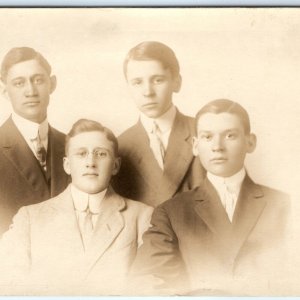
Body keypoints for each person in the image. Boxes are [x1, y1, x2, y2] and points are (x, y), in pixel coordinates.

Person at [130, 99, 291, 295]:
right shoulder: (171, 212)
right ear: (195, 145)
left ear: (250, 142)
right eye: (207, 137)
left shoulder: (286, 206)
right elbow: (149, 282)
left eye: (230, 135)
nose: (217, 146)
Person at [0, 119, 153, 295]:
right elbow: (8, 286)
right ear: (67, 165)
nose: (90, 162)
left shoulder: (142, 217)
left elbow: (147, 289)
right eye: (81, 154)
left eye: (101, 154)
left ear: (115, 166)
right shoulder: (30, 219)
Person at [112, 41, 205, 207]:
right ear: (128, 87)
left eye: (158, 80)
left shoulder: (204, 132)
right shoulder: (120, 147)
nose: (147, 92)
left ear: (177, 82)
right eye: (137, 82)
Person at [0, 47, 69, 236]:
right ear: (5, 91)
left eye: (38, 80)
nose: (30, 91)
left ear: (52, 84)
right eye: (19, 83)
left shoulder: (73, 145)